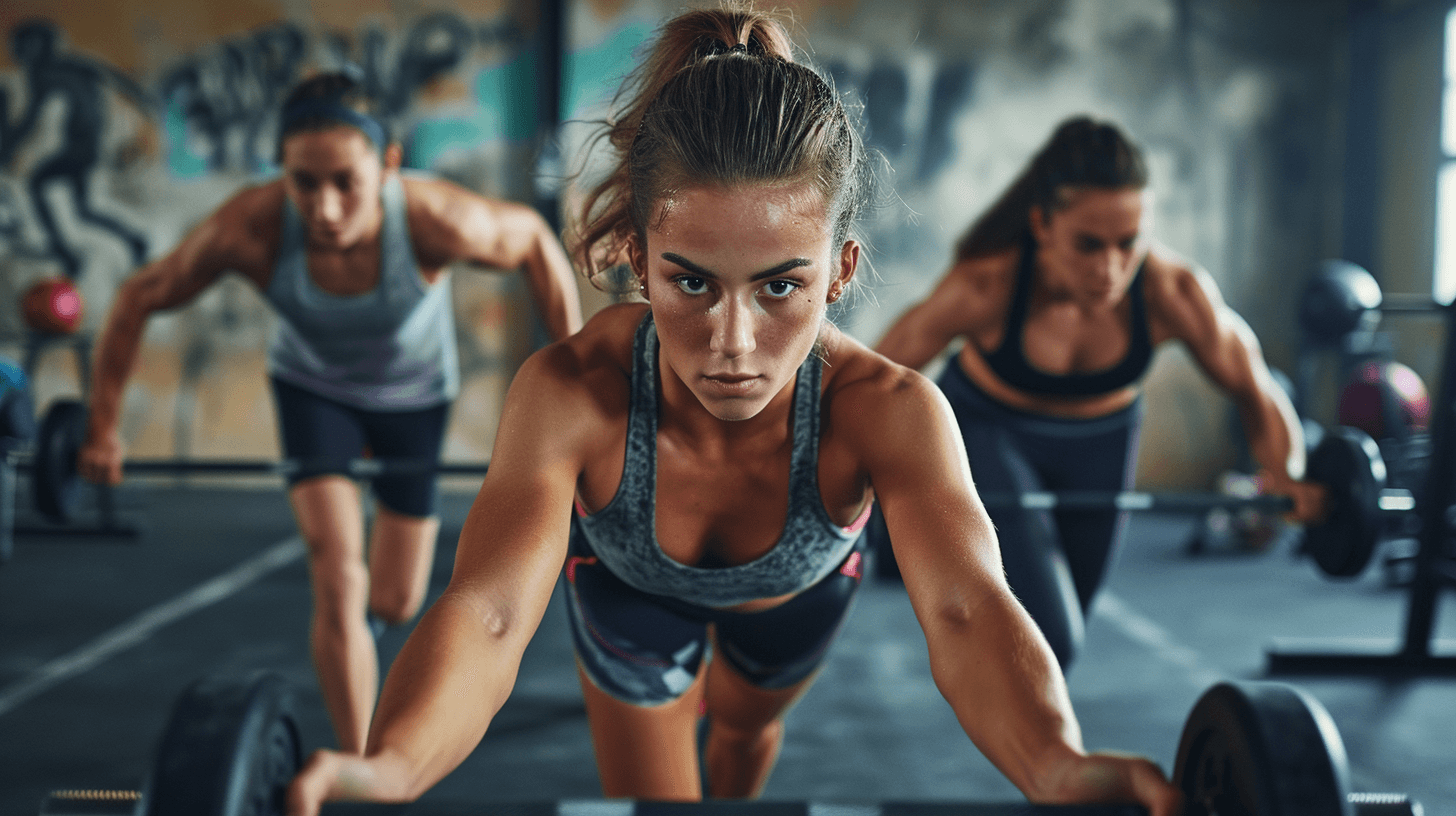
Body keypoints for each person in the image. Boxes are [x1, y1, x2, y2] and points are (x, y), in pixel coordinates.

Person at [285, 10, 1182, 815]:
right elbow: (485, 610)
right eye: (691, 282)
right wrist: (394, 766)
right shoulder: (571, 391)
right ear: (638, 257)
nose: (733, 343)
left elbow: (964, 609)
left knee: (745, 744)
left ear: (840, 271)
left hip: (793, 609)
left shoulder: (889, 410)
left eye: (781, 286)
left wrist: (1055, 766)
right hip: (626, 602)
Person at [77, 71, 584, 754]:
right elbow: (140, 297)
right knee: (338, 570)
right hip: (314, 391)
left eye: (346, 180)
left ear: (389, 164)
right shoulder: (249, 228)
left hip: (414, 396)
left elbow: (531, 242)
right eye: (304, 183)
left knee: (398, 599)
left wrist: (576, 381)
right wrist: (102, 429)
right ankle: (366, 766)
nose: (325, 206)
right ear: (282, 172)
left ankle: (372, 637)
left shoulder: (433, 219)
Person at [874, 116, 1326, 669]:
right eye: (1088, 245)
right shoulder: (988, 284)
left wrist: (1288, 474)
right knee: (1048, 637)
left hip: (1102, 445)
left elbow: (1255, 387)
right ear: (1041, 224)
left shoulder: (1171, 292)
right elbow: (878, 374)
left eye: (1127, 243)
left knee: (1065, 639)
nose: (1110, 269)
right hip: (989, 432)